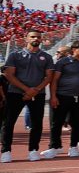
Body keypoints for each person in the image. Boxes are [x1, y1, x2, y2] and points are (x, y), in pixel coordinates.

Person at [1, 30, 54, 163]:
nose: (35, 38)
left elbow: (49, 76)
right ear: (26, 39)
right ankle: (6, 151)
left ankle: (33, 150)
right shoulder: (15, 55)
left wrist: (35, 90)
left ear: (41, 40)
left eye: (38, 37)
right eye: (32, 36)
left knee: (37, 124)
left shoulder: (46, 57)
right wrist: (26, 90)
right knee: (8, 122)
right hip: (15, 93)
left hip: (38, 94)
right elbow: (9, 75)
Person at [47, 41, 79, 158]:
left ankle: (73, 147)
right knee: (56, 123)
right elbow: (55, 80)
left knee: (77, 123)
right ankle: (54, 147)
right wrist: (53, 96)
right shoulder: (63, 62)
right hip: (62, 97)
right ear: (74, 50)